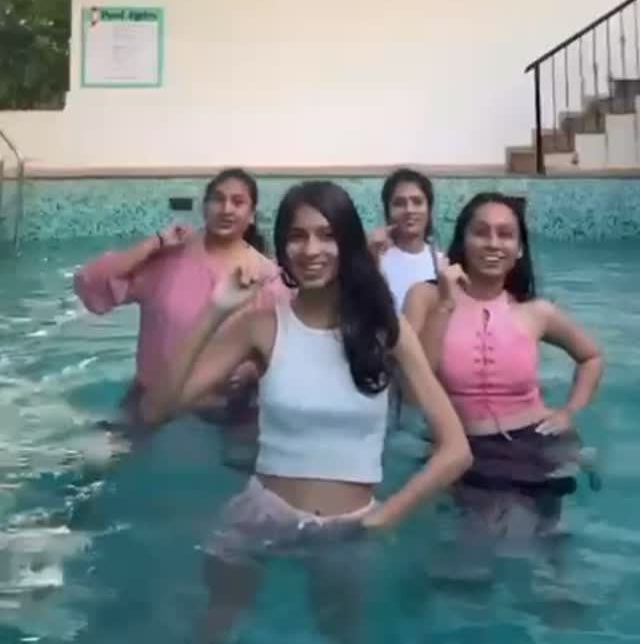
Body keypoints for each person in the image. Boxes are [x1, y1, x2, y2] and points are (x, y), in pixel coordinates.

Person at [140, 180, 471, 643]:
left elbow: (455, 450)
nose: (311, 250)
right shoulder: (260, 325)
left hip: (349, 526)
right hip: (261, 516)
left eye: (326, 235)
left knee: (342, 633)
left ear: (348, 243)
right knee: (216, 629)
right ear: (282, 247)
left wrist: (386, 517)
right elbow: (156, 410)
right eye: (297, 236)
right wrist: (215, 311)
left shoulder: (385, 329)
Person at [404, 191, 604, 547]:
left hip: (538, 442)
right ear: (463, 241)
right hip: (462, 447)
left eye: (506, 234)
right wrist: (446, 303)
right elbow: (414, 386)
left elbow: (591, 357)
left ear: (520, 249)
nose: (494, 244)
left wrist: (569, 411)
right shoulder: (427, 297)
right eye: (481, 232)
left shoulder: (536, 312)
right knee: (473, 554)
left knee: (546, 549)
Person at [73, 168, 287, 424]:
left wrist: (253, 369)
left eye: (238, 202)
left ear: (251, 215)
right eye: (218, 200)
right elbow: (90, 281)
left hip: (225, 410)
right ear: (204, 207)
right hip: (149, 401)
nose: (226, 209)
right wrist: (154, 243)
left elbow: (290, 351)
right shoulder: (167, 260)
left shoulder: (265, 277)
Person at [369, 168, 441, 312]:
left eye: (417, 202)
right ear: (387, 211)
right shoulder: (376, 258)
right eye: (399, 203)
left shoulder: (441, 263)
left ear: (429, 209)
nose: (409, 210)